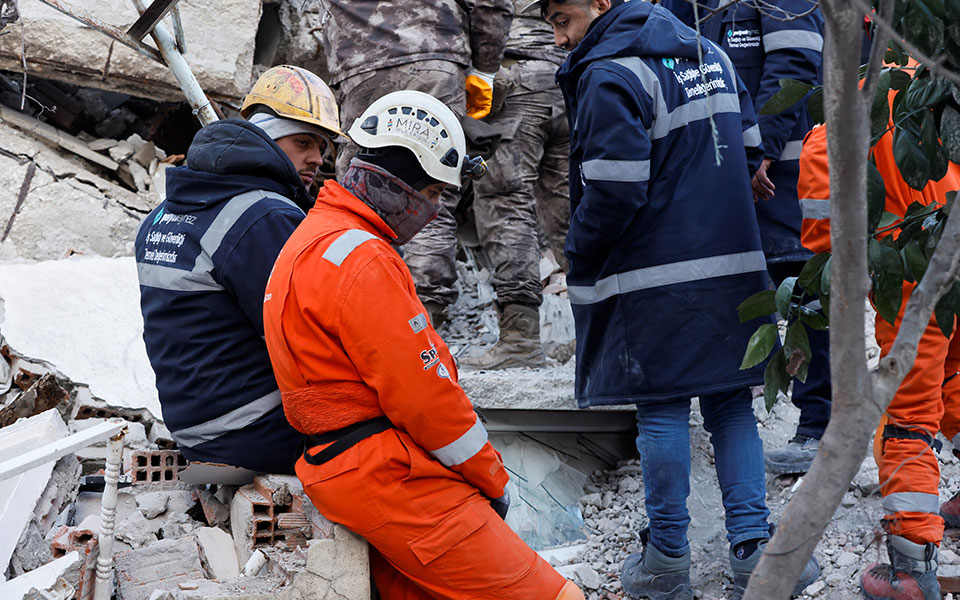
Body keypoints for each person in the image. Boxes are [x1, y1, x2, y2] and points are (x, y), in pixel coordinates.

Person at [537, 0, 820, 597]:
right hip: (733, 270)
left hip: (652, 278)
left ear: (601, 4)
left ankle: (667, 557)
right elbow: (749, 149)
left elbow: (614, 190)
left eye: (563, 19)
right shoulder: (709, 53)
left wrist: (578, 249)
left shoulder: (612, 72)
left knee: (660, 406)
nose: (561, 38)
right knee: (730, 404)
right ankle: (752, 552)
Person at [261, 90, 584, 600]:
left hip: (344, 468)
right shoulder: (364, 259)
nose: (433, 211)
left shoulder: (311, 237)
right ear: (399, 186)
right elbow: (427, 398)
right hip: (390, 477)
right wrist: (492, 481)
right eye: (433, 194)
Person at [135, 65, 344, 473]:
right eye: (303, 142)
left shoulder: (163, 215)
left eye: (322, 146)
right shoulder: (264, 217)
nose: (317, 158)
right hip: (253, 431)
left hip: (194, 427)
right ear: (266, 136)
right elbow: (312, 341)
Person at [661, 0, 831, 475]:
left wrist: (761, 151)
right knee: (735, 295)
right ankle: (740, 429)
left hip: (783, 176)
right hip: (723, 174)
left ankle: (819, 428)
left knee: (808, 295)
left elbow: (794, 66)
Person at [798, 112, 960, 600]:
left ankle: (911, 569)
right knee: (955, 377)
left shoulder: (838, 124)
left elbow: (823, 241)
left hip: (913, 287)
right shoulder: (936, 88)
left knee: (907, 419)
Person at [318, 0, 513, 327]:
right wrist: (484, 68)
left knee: (361, 194)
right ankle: (424, 318)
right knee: (432, 185)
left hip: (359, 63)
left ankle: (362, 310)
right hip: (433, 52)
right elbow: (491, 3)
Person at [460, 0, 571, 370]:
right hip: (568, 75)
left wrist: (478, 74)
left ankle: (519, 339)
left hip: (514, 78)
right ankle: (597, 334)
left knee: (504, 201)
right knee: (571, 209)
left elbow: (483, 12)